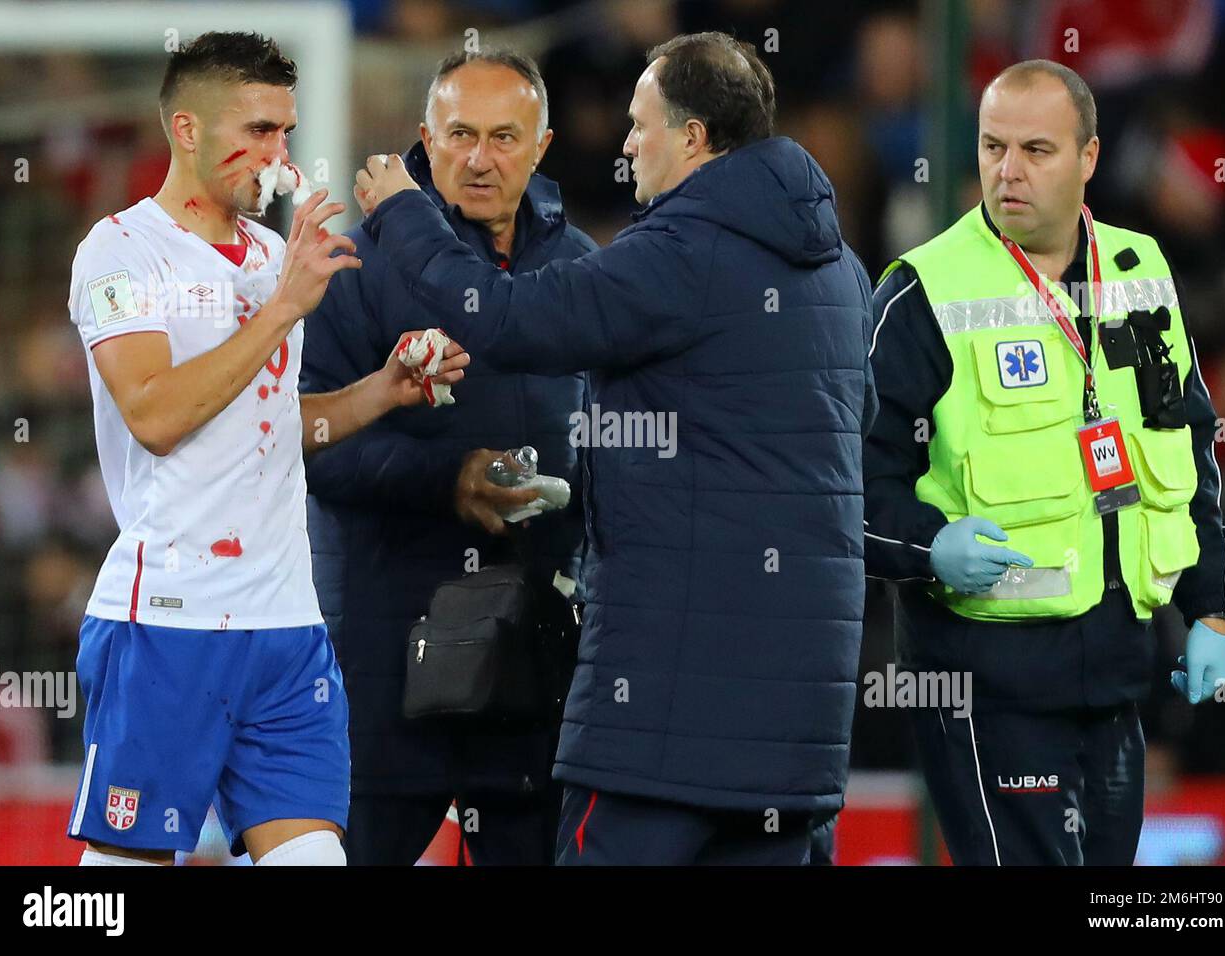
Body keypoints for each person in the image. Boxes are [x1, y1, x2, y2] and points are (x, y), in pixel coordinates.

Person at [354, 31, 875, 866]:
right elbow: (850, 451)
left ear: (694, 137)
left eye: (641, 124)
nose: (627, 145)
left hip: (662, 717)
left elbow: (503, 319)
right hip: (801, 727)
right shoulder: (844, 273)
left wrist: (403, 212)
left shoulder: (677, 255)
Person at [63, 31, 467, 866]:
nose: (277, 154)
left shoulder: (274, 257)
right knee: (118, 879)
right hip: (166, 621)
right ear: (186, 129)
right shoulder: (120, 252)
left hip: (285, 624)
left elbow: (277, 427)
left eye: (284, 130)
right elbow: (156, 415)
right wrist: (282, 310)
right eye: (255, 129)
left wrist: (382, 390)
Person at [863, 59, 1225, 865]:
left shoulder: (1139, 272)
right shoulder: (923, 292)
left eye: (1037, 149)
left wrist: (1214, 605)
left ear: (1090, 158)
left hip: (1114, 673)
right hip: (984, 678)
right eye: (993, 146)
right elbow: (853, 485)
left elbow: (1190, 443)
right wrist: (932, 547)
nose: (1008, 170)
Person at [300, 48, 595, 866]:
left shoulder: (583, 272)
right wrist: (448, 480)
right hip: (387, 657)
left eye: (505, 136)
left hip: (533, 661)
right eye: (459, 133)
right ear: (425, 139)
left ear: (543, 144)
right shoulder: (355, 267)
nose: (478, 157)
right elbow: (311, 449)